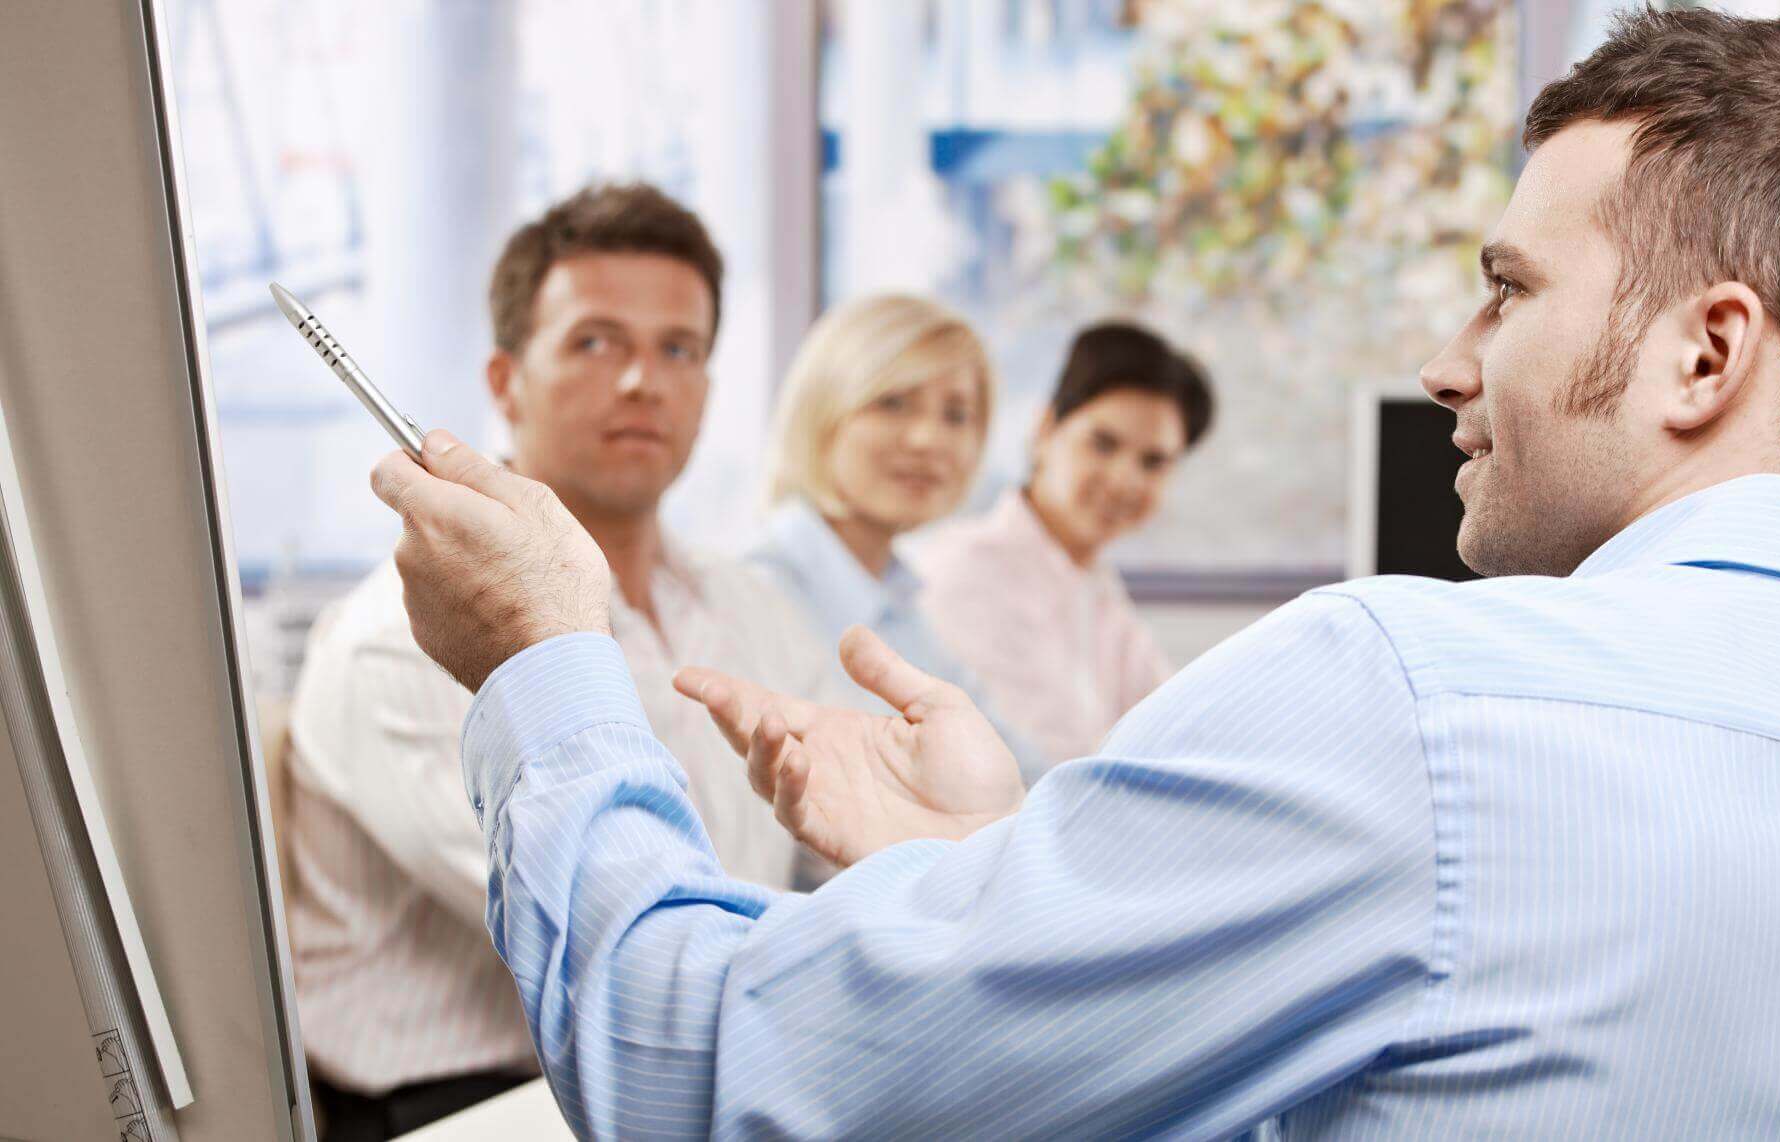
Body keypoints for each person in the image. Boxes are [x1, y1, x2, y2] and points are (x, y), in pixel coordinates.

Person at [371, 11, 1780, 1139]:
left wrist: (536, 655)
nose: (1449, 365)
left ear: (1706, 353)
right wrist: (994, 872)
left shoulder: (1422, 707)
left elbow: (705, 1066)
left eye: (1507, 292)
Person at [284, 182, 842, 1137]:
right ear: (506, 382)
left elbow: (832, 854)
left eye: (679, 349)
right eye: (595, 342)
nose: (643, 382)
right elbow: (610, 933)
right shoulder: (407, 636)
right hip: (463, 1108)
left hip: (707, 1055)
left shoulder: (756, 611)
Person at [747, 293, 1045, 780]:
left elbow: (1015, 766)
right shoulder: (757, 594)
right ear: (823, 410)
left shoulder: (903, 606)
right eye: (893, 404)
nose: (928, 440)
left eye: (956, 415)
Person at [918, 320, 1212, 765]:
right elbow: (1044, 772)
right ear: (1044, 430)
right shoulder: (971, 573)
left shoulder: (1097, 590)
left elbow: (1178, 727)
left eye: (1153, 462)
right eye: (1103, 444)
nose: (1125, 480)